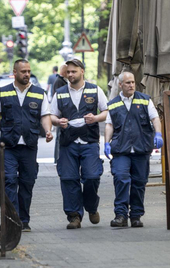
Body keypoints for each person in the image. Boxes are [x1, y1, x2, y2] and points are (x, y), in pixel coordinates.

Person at [0, 59, 54, 232]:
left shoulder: (39, 93)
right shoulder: (2, 92)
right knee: (9, 180)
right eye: (23, 71)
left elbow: (45, 115)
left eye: (28, 71)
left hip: (29, 146)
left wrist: (48, 131)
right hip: (9, 146)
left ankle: (24, 220)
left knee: (27, 183)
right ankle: (13, 219)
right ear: (15, 72)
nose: (27, 74)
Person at [50, 59, 109, 229]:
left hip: (89, 141)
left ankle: (91, 206)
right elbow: (51, 115)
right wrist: (57, 121)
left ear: (82, 71)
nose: (70, 75)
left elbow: (106, 111)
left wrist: (96, 118)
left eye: (73, 71)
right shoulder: (60, 93)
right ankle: (74, 216)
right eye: (68, 72)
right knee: (68, 179)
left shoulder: (94, 90)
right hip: (68, 142)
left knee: (92, 176)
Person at [103, 71, 163, 228]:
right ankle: (120, 215)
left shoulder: (145, 100)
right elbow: (109, 124)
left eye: (133, 82)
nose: (131, 85)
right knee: (121, 178)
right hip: (121, 150)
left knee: (139, 182)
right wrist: (106, 142)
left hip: (141, 149)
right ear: (120, 85)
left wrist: (158, 134)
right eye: (127, 83)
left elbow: (155, 118)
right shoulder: (114, 103)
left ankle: (136, 216)